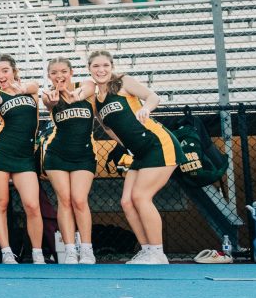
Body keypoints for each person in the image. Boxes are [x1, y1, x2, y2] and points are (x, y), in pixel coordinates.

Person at [77, 50, 185, 265]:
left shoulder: (123, 82)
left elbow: (153, 97)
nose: (101, 70)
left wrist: (145, 108)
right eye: (96, 66)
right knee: (127, 202)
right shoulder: (96, 99)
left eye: (105, 65)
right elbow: (107, 128)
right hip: (139, 152)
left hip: (157, 144)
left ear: (112, 66)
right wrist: (125, 145)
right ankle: (146, 250)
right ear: (89, 69)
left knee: (141, 197)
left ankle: (157, 252)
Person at [0, 54, 43, 264]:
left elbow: (34, 86)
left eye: (5, 71)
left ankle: (37, 253)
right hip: (0, 151)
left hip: (24, 155)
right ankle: (7, 252)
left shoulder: (30, 89)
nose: (0, 76)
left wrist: (22, 87)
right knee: (1, 202)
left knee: (32, 205)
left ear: (14, 71)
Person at [41, 58, 97, 265]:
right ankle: (70, 250)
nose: (59, 76)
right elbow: (48, 102)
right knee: (64, 201)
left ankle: (87, 249)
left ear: (71, 72)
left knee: (79, 200)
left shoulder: (85, 88)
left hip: (83, 156)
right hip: (57, 155)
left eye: (63, 71)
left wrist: (75, 95)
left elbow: (89, 88)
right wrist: (53, 102)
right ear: (49, 75)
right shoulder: (49, 94)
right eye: (54, 73)